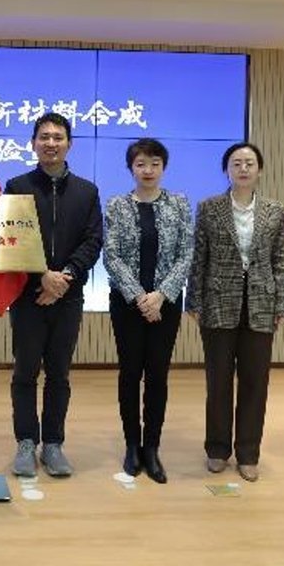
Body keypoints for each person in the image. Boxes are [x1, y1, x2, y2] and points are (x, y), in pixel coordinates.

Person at [3, 112, 103, 478]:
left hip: (69, 296)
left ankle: (54, 444)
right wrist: (41, 276)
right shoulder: (16, 187)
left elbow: (93, 241)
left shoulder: (87, 191)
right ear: (33, 143)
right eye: (44, 137)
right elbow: (10, 238)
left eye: (57, 137)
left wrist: (64, 279)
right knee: (25, 372)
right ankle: (26, 443)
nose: (50, 143)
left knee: (59, 374)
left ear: (69, 144)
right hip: (27, 295)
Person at [187, 142, 284, 482]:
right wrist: (194, 301)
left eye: (249, 163)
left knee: (255, 383)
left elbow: (280, 260)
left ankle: (248, 452)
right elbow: (199, 257)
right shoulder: (209, 207)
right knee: (218, 382)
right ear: (226, 170)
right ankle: (217, 449)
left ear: (259, 170)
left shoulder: (275, 210)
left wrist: (282, 302)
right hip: (218, 303)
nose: (243, 168)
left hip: (261, 305)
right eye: (236, 163)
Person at [101, 137, 193, 483]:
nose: (148, 170)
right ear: (131, 168)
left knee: (157, 375)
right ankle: (131, 445)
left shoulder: (179, 204)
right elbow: (112, 256)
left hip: (165, 306)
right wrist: (140, 296)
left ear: (163, 167)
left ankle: (152, 448)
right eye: (141, 164)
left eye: (155, 163)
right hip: (127, 304)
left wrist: (161, 295)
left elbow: (186, 253)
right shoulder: (117, 205)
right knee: (129, 373)